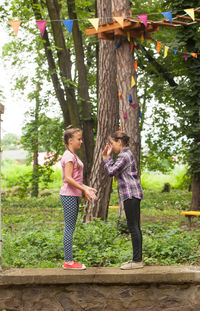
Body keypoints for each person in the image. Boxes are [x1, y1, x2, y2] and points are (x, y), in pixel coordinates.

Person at [102, 131, 143, 270]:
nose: (112, 147)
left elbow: (111, 171)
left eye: (112, 144)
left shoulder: (124, 155)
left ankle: (137, 261)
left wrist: (106, 157)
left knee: (133, 227)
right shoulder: (125, 154)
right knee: (135, 226)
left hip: (131, 195)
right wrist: (109, 157)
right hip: (132, 194)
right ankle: (137, 259)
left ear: (119, 142)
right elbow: (116, 169)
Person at [60, 127, 97, 270]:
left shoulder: (72, 155)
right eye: (79, 139)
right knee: (69, 228)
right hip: (68, 195)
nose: (81, 141)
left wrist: (86, 188)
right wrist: (84, 189)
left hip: (73, 195)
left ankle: (69, 261)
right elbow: (68, 179)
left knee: (71, 227)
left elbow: (75, 179)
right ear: (70, 140)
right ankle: (68, 262)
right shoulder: (68, 156)